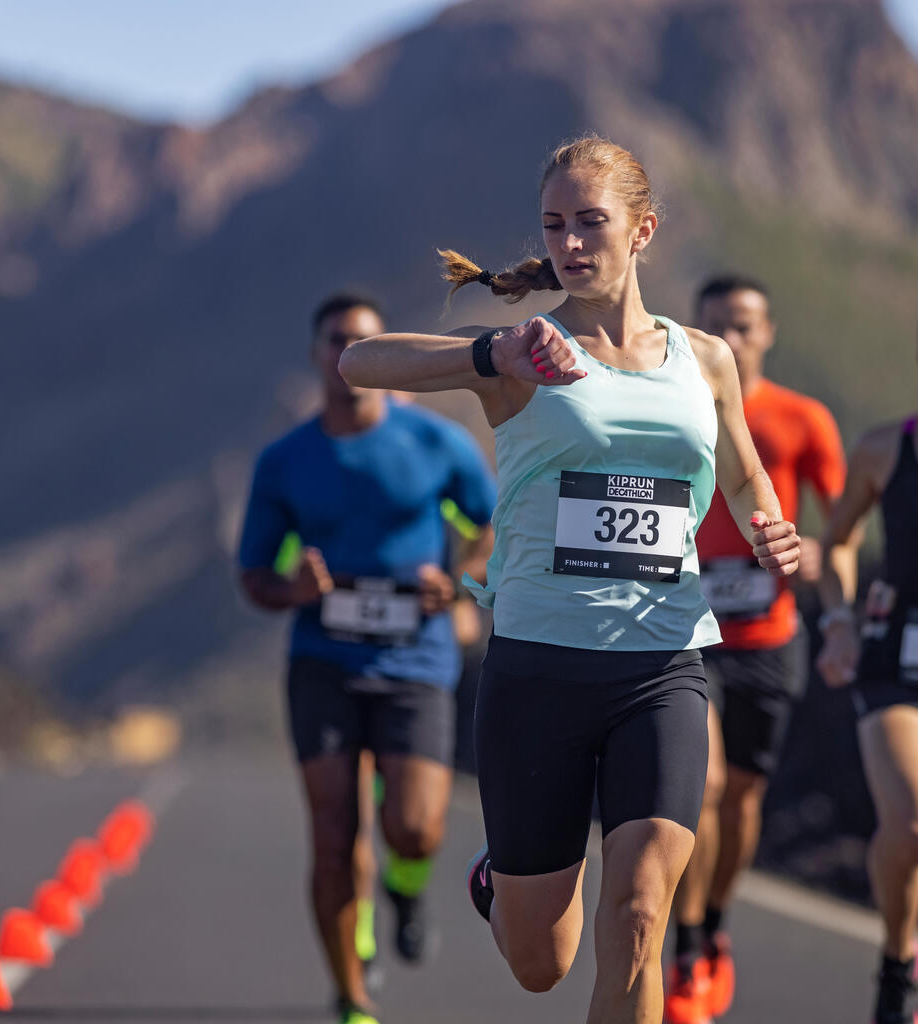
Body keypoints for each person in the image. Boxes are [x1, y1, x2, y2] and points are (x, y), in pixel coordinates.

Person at [339, 135, 800, 1024]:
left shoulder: (704, 359)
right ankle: (499, 879)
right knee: (540, 964)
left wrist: (766, 526)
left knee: (636, 918)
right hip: (538, 670)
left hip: (662, 663)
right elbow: (361, 364)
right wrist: (489, 357)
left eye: (592, 221)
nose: (571, 242)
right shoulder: (527, 351)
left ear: (643, 232)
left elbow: (741, 474)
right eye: (555, 225)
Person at [238, 293, 496, 1024]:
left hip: (415, 661)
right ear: (319, 354)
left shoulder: (437, 444)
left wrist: (460, 582)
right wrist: (292, 587)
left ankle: (406, 887)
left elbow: (490, 525)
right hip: (323, 664)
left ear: (384, 356)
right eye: (335, 340)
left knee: (415, 828)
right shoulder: (284, 462)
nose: (348, 352)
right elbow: (253, 577)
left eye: (363, 341)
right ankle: (351, 998)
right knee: (331, 837)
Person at [664, 275, 846, 1023]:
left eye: (742, 326)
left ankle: (714, 924)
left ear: (768, 332)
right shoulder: (669, 413)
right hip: (685, 636)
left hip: (769, 639)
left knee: (741, 802)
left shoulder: (804, 420)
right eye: (714, 326)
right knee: (700, 790)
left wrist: (834, 611)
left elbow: (841, 535)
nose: (729, 340)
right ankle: (685, 943)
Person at [817, 340, 918, 1024]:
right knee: (910, 819)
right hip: (892, 664)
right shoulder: (886, 449)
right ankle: (895, 955)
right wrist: (840, 623)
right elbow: (838, 541)